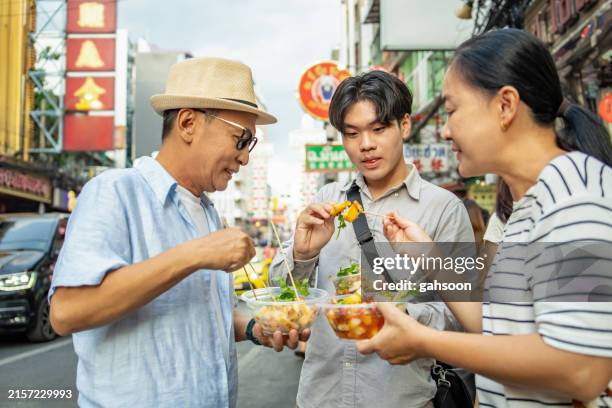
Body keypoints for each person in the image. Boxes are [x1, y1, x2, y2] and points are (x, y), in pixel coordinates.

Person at [356, 28, 612, 406]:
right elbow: (498, 330)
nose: (444, 129)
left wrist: (423, 341)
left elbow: (581, 369)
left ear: (505, 105)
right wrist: (432, 259)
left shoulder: (576, 194)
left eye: (453, 109)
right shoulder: (530, 203)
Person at [49, 58, 308, 408]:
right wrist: (195, 254)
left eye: (251, 145)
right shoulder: (115, 192)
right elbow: (66, 312)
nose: (244, 158)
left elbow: (199, 313)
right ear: (188, 123)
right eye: (240, 139)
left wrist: (252, 328)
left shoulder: (208, 212)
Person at [269, 70, 475, 408]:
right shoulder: (327, 199)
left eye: (378, 129)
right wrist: (303, 254)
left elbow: (462, 319)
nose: (366, 144)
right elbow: (284, 297)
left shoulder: (444, 209)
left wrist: (402, 314)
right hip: (321, 398)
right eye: (352, 134)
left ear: (404, 125)